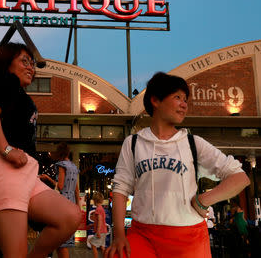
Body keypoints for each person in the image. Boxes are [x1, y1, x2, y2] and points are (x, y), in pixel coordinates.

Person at [106, 72, 250, 258]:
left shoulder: (193, 143)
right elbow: (120, 188)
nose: (184, 105)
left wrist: (203, 200)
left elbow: (240, 178)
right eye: (177, 97)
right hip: (143, 234)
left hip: (188, 238)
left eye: (185, 100)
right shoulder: (133, 143)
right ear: (156, 100)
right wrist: (118, 235)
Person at [0, 42, 82, 258]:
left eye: (32, 63)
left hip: (26, 172)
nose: (31, 67)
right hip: (4, 166)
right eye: (24, 61)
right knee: (15, 253)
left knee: (70, 216)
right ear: (6, 63)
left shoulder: (19, 93)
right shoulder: (7, 81)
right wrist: (6, 149)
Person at [39, 143, 80, 258]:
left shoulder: (62, 165)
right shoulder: (74, 167)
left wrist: (47, 178)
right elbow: (77, 190)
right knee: (61, 241)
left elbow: (60, 186)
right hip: (71, 203)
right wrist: (78, 207)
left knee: (59, 240)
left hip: (62, 203)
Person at [89, 192, 107, 258]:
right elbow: (100, 221)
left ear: (94, 201)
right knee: (102, 246)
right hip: (104, 231)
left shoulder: (98, 210)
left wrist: (98, 231)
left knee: (93, 244)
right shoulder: (102, 209)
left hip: (100, 231)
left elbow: (100, 221)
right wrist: (92, 225)